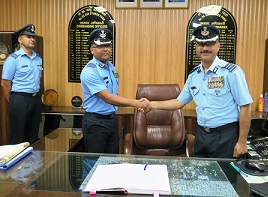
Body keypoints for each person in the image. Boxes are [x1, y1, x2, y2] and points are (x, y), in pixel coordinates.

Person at [140, 24, 253, 158]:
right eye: (200, 44)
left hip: (225, 136)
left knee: (224, 177)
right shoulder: (194, 74)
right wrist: (151, 105)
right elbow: (179, 102)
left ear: (218, 45)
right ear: (196, 47)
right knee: (202, 176)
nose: (205, 48)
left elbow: (245, 106)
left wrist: (242, 142)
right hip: (201, 135)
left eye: (209, 44)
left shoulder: (231, 72)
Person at [80, 28, 147, 154]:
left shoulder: (111, 68)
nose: (105, 49)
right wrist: (137, 103)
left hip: (111, 120)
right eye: (100, 46)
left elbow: (113, 94)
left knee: (111, 161)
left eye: (108, 45)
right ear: (92, 49)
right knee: (93, 163)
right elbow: (108, 98)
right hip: (96, 123)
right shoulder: (90, 71)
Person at [1, 24, 43, 144]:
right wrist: (13, 100)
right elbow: (5, 84)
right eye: (28, 36)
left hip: (35, 99)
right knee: (18, 136)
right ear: (20, 40)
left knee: (33, 135)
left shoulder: (38, 58)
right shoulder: (13, 59)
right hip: (20, 99)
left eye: (33, 37)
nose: (32, 39)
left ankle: (31, 163)